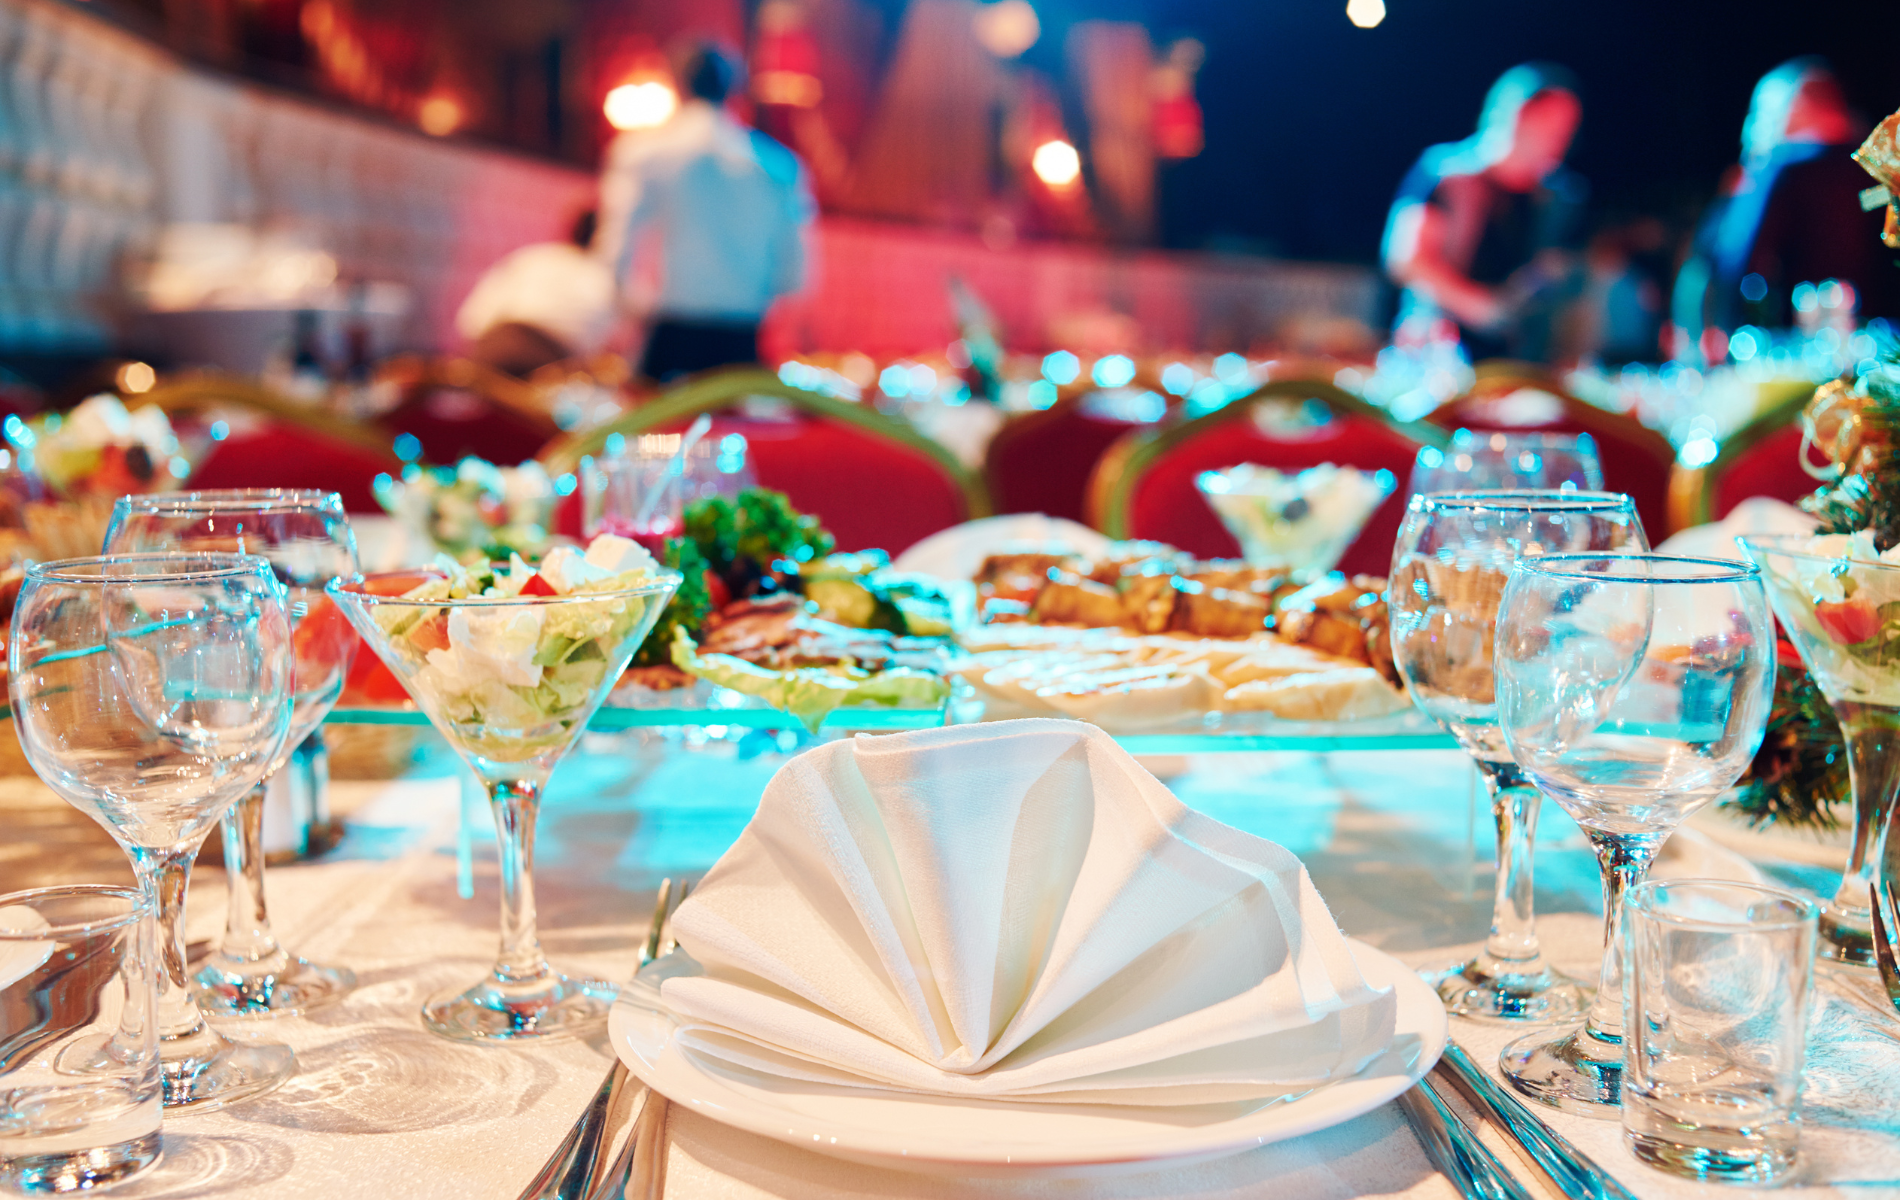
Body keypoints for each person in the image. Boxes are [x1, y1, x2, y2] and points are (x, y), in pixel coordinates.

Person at [596, 44, 816, 382]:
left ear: (678, 83)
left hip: (672, 336)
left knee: (661, 435)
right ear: (734, 90)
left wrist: (632, 309)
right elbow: (795, 274)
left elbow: (616, 249)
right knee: (737, 433)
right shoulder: (779, 166)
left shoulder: (644, 153)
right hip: (744, 340)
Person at [1671, 58, 1895, 360]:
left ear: (1799, 107)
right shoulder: (1878, 177)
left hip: (1795, 356)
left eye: (1761, 113)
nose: (1751, 130)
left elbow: (1736, 262)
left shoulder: (1782, 170)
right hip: (1882, 353)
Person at [1382, 64, 1587, 363]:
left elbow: (1556, 269)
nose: (1560, 138)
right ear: (1516, 114)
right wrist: (1481, 308)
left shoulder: (1559, 197)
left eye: (1567, 128)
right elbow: (1405, 258)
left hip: (1521, 358)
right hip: (1437, 349)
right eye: (1549, 123)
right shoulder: (1447, 172)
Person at [454, 210, 619, 377]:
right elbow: (595, 348)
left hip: (499, 343)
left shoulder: (533, 257)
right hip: (553, 367)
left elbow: (473, 317)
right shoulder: (604, 278)